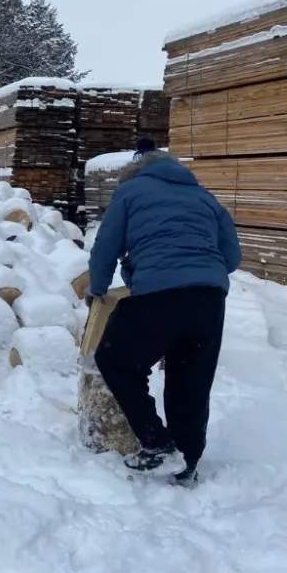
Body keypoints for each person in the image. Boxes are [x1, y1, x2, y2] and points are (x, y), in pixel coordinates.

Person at [86, 149, 241, 485]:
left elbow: (106, 245)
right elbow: (232, 257)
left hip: (159, 293)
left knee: (115, 359)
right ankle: (188, 464)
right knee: (191, 381)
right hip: (210, 299)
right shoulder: (205, 197)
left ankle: (157, 444)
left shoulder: (129, 191)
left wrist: (97, 288)